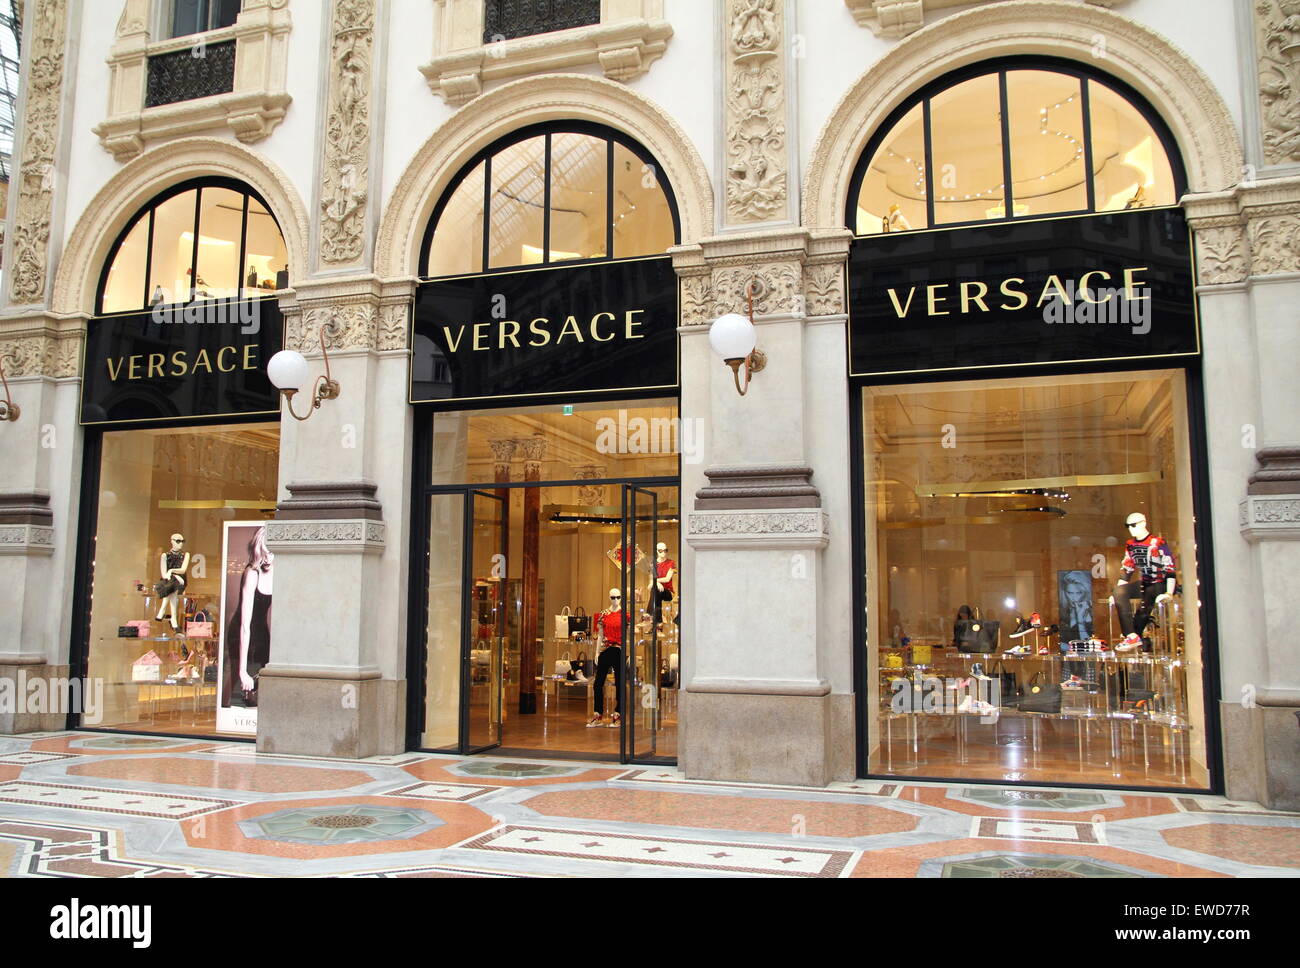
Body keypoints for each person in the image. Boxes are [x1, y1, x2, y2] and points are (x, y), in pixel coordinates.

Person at [225, 526, 273, 708]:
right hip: (241, 631)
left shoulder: (279, 571)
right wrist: (242, 670)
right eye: (265, 552)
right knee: (238, 679)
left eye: (272, 552)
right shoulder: (252, 573)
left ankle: (251, 705)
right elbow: (245, 624)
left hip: (261, 631)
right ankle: (230, 710)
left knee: (262, 676)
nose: (269, 557)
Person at [587, 588, 624, 727]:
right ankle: (598, 714)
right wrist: (596, 652)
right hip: (604, 650)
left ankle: (618, 714)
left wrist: (629, 653)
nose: (615, 600)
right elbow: (600, 635)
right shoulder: (603, 614)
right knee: (598, 684)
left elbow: (628, 635)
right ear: (609, 597)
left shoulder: (625, 614)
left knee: (620, 683)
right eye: (613, 597)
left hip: (619, 650)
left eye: (618, 597)